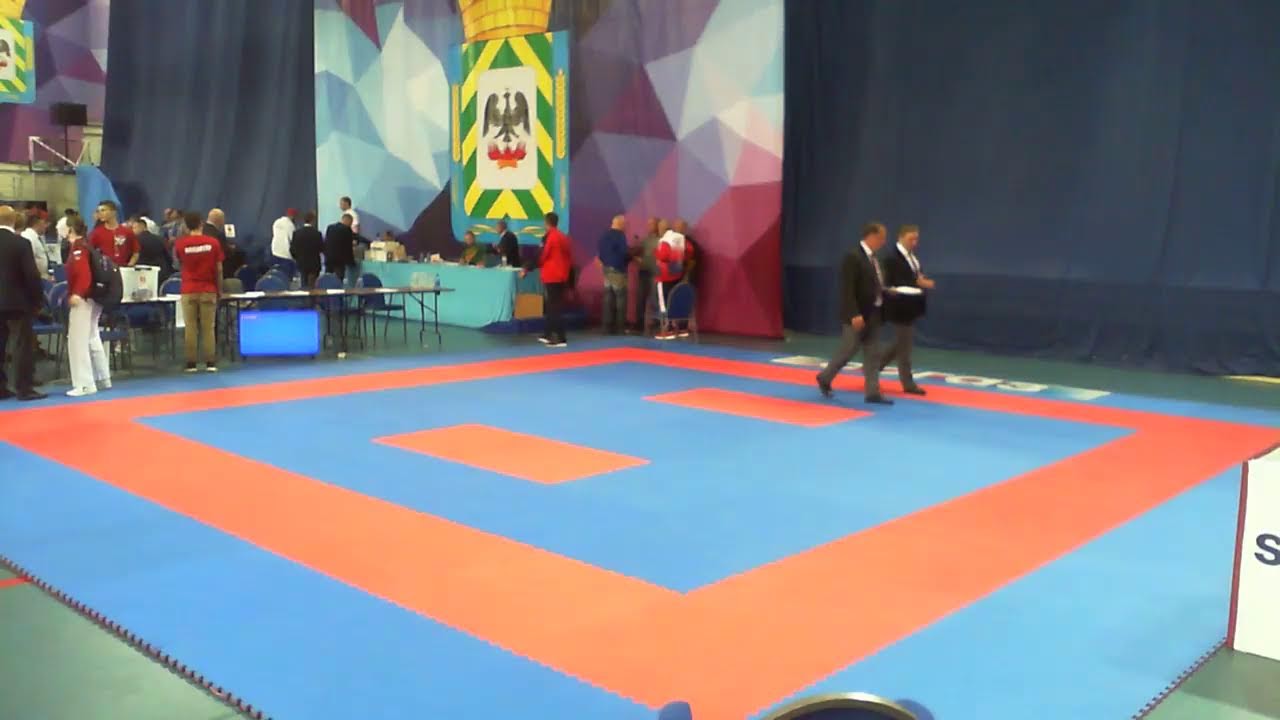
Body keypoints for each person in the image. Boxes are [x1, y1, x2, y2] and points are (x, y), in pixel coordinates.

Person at [815, 222, 893, 405]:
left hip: (875, 312)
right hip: (858, 314)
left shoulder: (876, 259)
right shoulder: (853, 256)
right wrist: (853, 313)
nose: (883, 242)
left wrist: (887, 291)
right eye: (881, 238)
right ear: (871, 236)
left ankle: (872, 392)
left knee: (873, 354)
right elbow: (847, 288)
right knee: (848, 350)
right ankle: (825, 377)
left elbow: (876, 283)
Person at [877, 225, 935, 395]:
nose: (914, 242)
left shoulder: (912, 258)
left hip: (911, 306)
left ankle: (873, 368)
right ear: (901, 237)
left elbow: (915, 277)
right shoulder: (891, 258)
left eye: (916, 239)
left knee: (901, 343)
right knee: (905, 347)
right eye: (911, 239)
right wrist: (916, 283)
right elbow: (887, 282)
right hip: (898, 306)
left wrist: (921, 282)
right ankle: (908, 383)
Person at [0, 205, 47, 401]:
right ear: (13, 220)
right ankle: (24, 388)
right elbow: (31, 276)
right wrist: (37, 300)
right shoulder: (20, 243)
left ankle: (1, 388)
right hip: (17, 302)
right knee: (22, 345)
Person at [64, 217, 112, 397]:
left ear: (70, 229)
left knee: (77, 340)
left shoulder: (78, 248)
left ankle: (84, 384)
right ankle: (103, 378)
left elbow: (83, 274)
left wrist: (77, 293)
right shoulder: (87, 245)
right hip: (93, 298)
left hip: (83, 298)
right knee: (92, 336)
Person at [173, 211, 224, 373]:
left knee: (190, 327)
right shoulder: (213, 243)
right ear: (201, 223)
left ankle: (191, 364)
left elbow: (179, 264)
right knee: (208, 327)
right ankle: (210, 362)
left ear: (186, 226)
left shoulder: (180, 244)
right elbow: (219, 269)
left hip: (188, 289)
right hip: (208, 289)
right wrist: (219, 289)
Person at [522, 212, 572, 347]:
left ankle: (560, 338)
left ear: (546, 223)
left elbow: (542, 256)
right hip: (561, 275)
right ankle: (548, 333)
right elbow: (568, 256)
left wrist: (527, 268)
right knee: (552, 305)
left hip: (552, 275)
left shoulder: (550, 237)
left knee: (554, 307)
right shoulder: (563, 237)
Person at [654, 219, 692, 339]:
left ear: (661, 229)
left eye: (659, 228)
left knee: (664, 303)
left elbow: (662, 256)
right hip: (677, 275)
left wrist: (656, 252)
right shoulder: (681, 238)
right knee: (678, 301)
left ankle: (668, 329)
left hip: (664, 277)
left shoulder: (664, 240)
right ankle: (682, 329)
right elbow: (689, 251)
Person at [597, 215, 630, 334]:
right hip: (618, 270)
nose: (626, 227)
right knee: (621, 298)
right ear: (620, 224)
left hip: (606, 269)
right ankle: (620, 327)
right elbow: (624, 253)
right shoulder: (620, 236)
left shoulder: (604, 236)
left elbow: (600, 253)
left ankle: (607, 327)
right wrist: (633, 257)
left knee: (608, 298)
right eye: (625, 224)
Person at [88, 200, 139, 266]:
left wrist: (129, 265)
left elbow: (135, 252)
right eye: (98, 211)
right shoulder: (96, 233)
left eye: (103, 210)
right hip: (106, 269)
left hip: (123, 269)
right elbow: (88, 252)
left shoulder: (127, 231)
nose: (100, 213)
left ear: (113, 212)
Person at [632, 217, 660, 331]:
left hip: (655, 272)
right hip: (644, 272)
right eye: (648, 224)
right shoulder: (645, 240)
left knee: (655, 298)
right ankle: (639, 323)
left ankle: (657, 322)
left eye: (652, 224)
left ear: (657, 225)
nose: (649, 226)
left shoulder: (661, 239)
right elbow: (638, 253)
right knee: (640, 298)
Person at [291, 211, 324, 287]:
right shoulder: (317, 233)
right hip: (314, 264)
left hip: (302, 263)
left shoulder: (297, 233)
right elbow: (321, 248)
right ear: (313, 220)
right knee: (313, 286)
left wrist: (298, 258)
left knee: (303, 284)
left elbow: (292, 249)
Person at [324, 213, 357, 283]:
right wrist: (351, 262)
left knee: (327, 280)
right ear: (348, 221)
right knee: (338, 280)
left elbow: (326, 242)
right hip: (339, 261)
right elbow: (348, 248)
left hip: (329, 258)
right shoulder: (346, 229)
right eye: (350, 223)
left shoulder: (330, 227)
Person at [21, 209, 49, 279]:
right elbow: (28, 262)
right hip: (35, 278)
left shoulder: (37, 237)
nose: (46, 226)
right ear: (38, 222)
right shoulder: (28, 237)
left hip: (42, 277)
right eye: (45, 222)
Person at [271, 208, 298, 278]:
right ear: (293, 216)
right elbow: (293, 239)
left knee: (276, 275)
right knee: (287, 276)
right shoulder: (290, 225)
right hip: (285, 253)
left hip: (275, 251)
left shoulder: (277, 222)